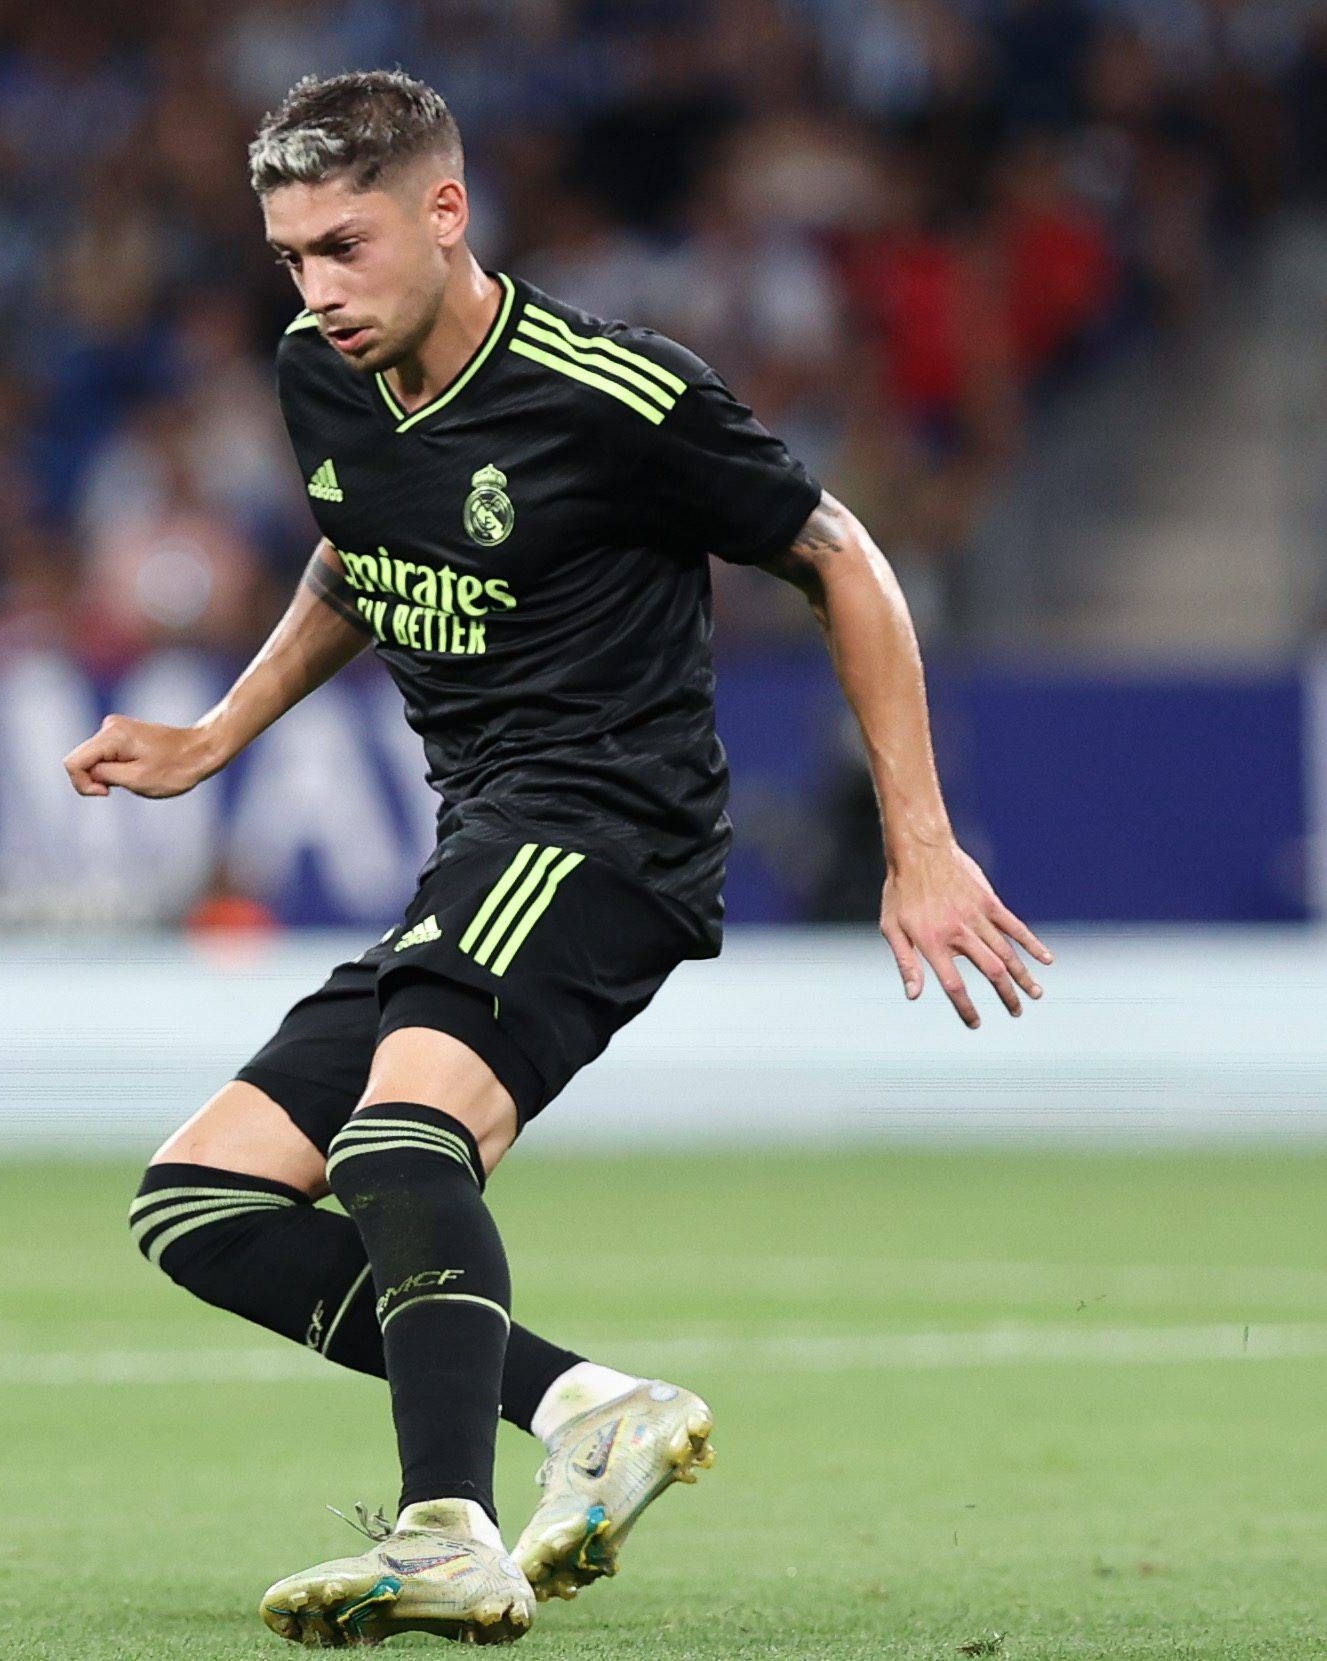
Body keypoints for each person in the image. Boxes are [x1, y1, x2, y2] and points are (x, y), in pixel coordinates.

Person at [64, 71, 1052, 1648]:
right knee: (202, 1201)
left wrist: (918, 842)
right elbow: (357, 546)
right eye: (290, 257)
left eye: (347, 244)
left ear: (445, 213)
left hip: (611, 826)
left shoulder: (616, 391)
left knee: (396, 1147)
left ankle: (444, 1529)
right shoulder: (324, 378)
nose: (319, 290)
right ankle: (590, 1407)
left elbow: (842, 556)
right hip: (488, 839)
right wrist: (217, 731)